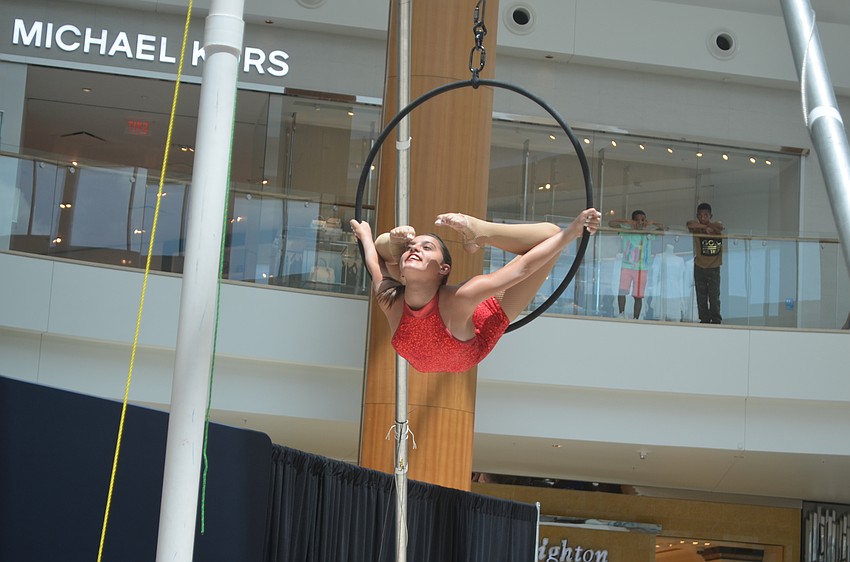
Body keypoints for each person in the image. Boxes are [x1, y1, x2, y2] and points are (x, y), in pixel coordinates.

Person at [349, 209, 602, 373]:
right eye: (411, 248)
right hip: (476, 341)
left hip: (482, 314)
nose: (415, 249)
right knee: (552, 235)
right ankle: (468, 237)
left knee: (552, 234)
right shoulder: (390, 299)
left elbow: (522, 269)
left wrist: (572, 232)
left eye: (426, 247)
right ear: (402, 270)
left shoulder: (459, 298)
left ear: (444, 269)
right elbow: (373, 260)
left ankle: (481, 232)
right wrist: (365, 235)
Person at [608, 210, 664, 319]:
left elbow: (663, 229)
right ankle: (621, 313)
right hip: (627, 266)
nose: (640, 223)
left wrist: (652, 223)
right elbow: (611, 223)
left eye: (643, 220)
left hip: (642, 268)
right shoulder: (627, 230)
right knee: (622, 291)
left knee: (638, 296)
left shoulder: (647, 233)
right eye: (637, 220)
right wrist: (627, 222)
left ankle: (636, 318)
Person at [686, 202, 724, 324]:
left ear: (710, 215)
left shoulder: (716, 226)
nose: (703, 218)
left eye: (706, 215)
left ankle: (716, 318)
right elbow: (689, 224)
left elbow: (720, 226)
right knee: (701, 295)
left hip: (714, 267)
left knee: (714, 295)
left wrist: (709, 226)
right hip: (699, 266)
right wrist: (704, 227)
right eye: (700, 216)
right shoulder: (696, 227)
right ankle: (704, 318)